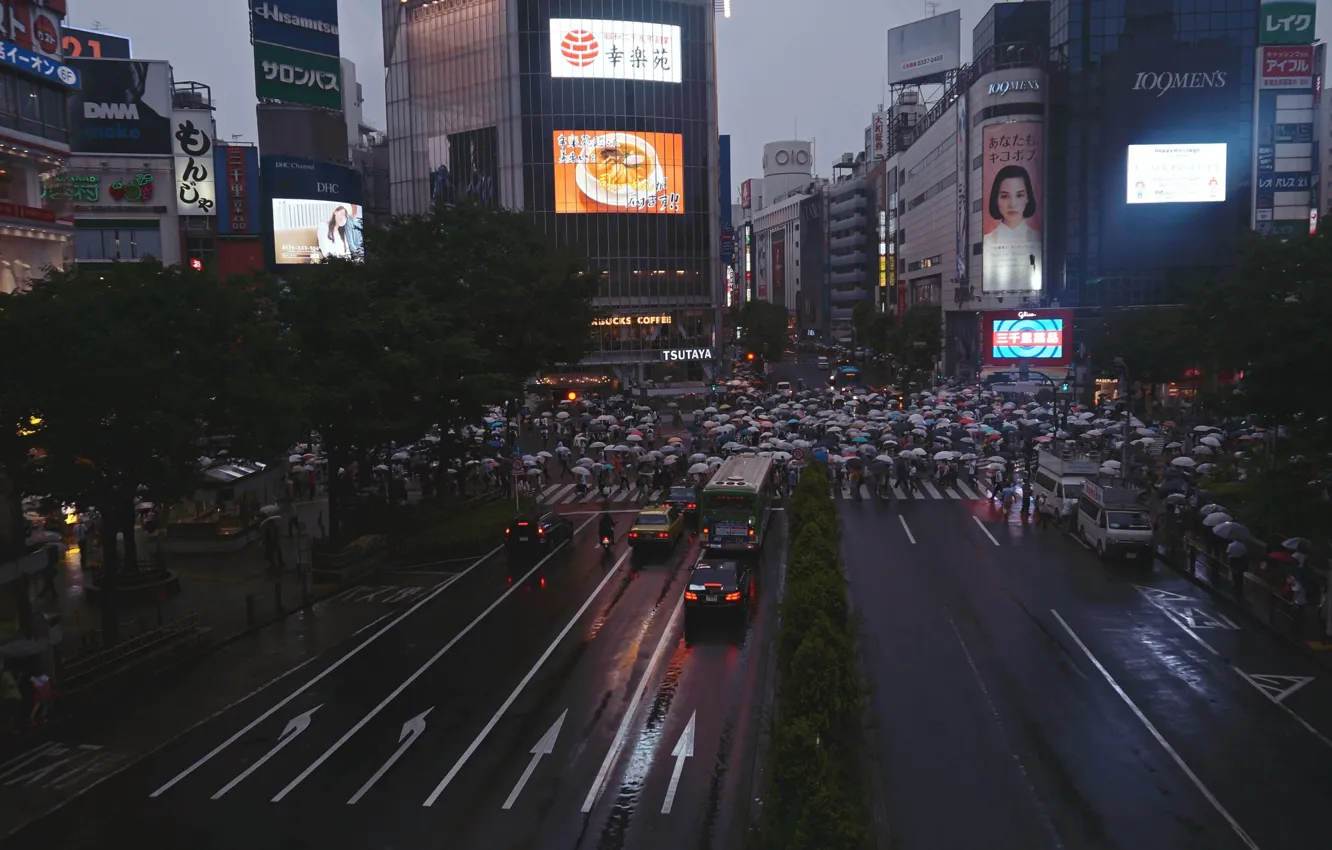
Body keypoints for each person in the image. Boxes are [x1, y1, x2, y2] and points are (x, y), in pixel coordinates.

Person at [983, 165, 1041, 289]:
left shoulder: (1038, 239)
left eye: (1019, 195)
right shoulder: (987, 241)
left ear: (1028, 198)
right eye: (1005, 196)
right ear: (996, 199)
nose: (1012, 204)